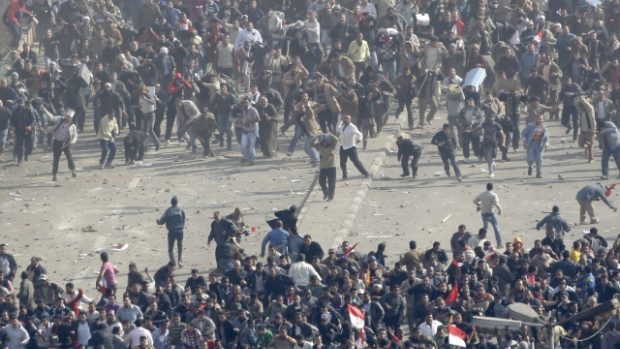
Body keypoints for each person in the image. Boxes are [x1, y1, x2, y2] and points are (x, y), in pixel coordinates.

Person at [156, 196, 186, 267]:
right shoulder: (181, 210)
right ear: (177, 202)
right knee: (180, 246)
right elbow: (184, 219)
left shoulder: (168, 211)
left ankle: (173, 262)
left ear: (171, 202)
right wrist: (181, 226)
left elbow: (162, 221)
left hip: (172, 232)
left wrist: (158, 221)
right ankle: (179, 261)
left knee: (170, 249)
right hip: (180, 231)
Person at [338, 114, 369, 180]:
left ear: (350, 119)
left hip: (351, 147)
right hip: (343, 147)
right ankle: (344, 175)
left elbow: (359, 134)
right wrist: (339, 121)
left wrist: (359, 139)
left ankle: (365, 173)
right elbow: (337, 129)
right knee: (342, 163)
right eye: (345, 118)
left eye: (347, 118)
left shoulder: (352, 127)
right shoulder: (342, 127)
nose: (346, 120)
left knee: (356, 162)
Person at [50, 109, 78, 182]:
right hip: (57, 142)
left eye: (69, 118)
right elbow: (52, 118)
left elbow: (75, 136)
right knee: (56, 159)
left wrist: (72, 142)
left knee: (69, 157)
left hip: (66, 143)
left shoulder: (72, 126)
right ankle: (54, 175)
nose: (67, 118)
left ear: (71, 119)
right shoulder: (60, 121)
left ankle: (73, 171)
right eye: (67, 117)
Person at [473, 183, 503, 248]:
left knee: (485, 228)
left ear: (486, 187)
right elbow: (496, 204)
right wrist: (500, 210)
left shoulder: (482, 194)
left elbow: (475, 201)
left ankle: (482, 242)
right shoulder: (493, 195)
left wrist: (479, 205)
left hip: (484, 214)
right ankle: (499, 244)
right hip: (491, 213)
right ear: (492, 188)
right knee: (496, 228)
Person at [312, 133, 338, 201]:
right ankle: (326, 192)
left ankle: (330, 196)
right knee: (321, 181)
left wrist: (329, 134)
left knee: (331, 183)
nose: (324, 143)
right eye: (323, 141)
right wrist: (316, 136)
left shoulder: (332, 146)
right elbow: (311, 144)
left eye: (325, 141)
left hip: (331, 167)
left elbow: (336, 139)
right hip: (323, 168)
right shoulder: (320, 147)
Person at [239, 96, 259, 165]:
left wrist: (250, 121)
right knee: (243, 147)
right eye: (244, 103)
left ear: (249, 103)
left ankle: (252, 160)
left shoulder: (253, 110)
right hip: (245, 131)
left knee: (251, 147)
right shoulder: (243, 110)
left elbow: (258, 119)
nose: (245, 104)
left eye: (246, 102)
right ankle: (247, 158)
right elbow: (242, 119)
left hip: (253, 131)